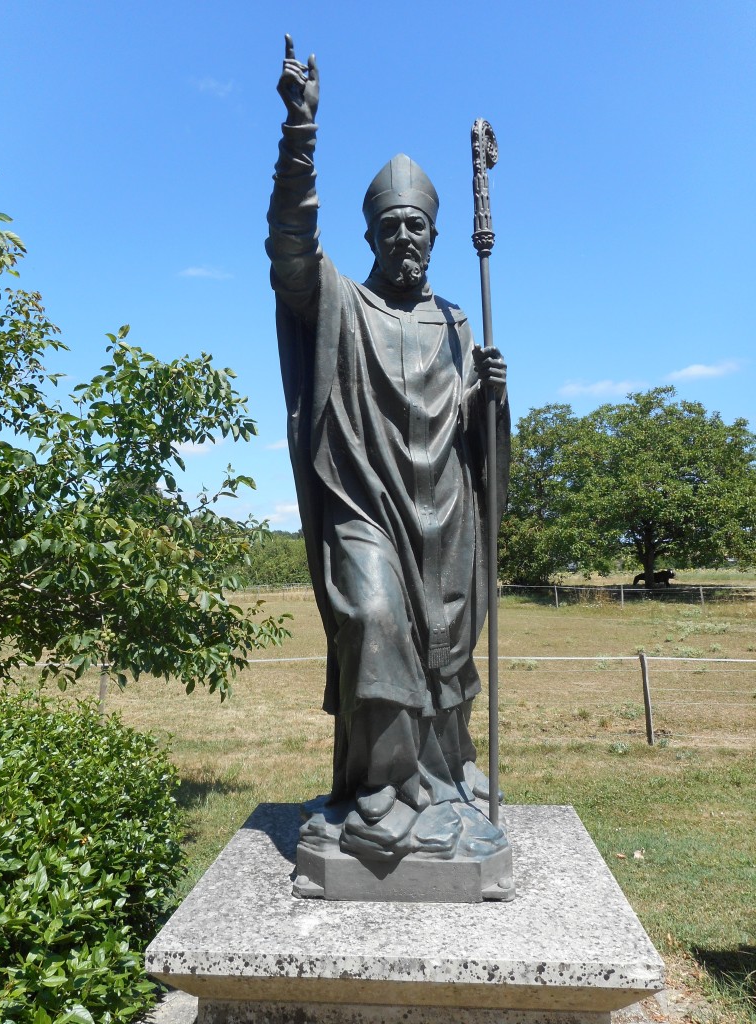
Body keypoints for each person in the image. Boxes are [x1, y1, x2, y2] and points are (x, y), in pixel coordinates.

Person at [267, 36, 510, 860]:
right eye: (393, 227)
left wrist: (493, 400)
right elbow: (291, 256)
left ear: (436, 238)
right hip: (366, 504)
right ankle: (384, 790)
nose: (407, 238)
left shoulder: (454, 323)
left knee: (443, 655)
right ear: (371, 236)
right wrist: (300, 136)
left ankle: (442, 781)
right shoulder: (343, 301)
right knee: (373, 620)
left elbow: (473, 434)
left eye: (419, 228)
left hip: (444, 518)